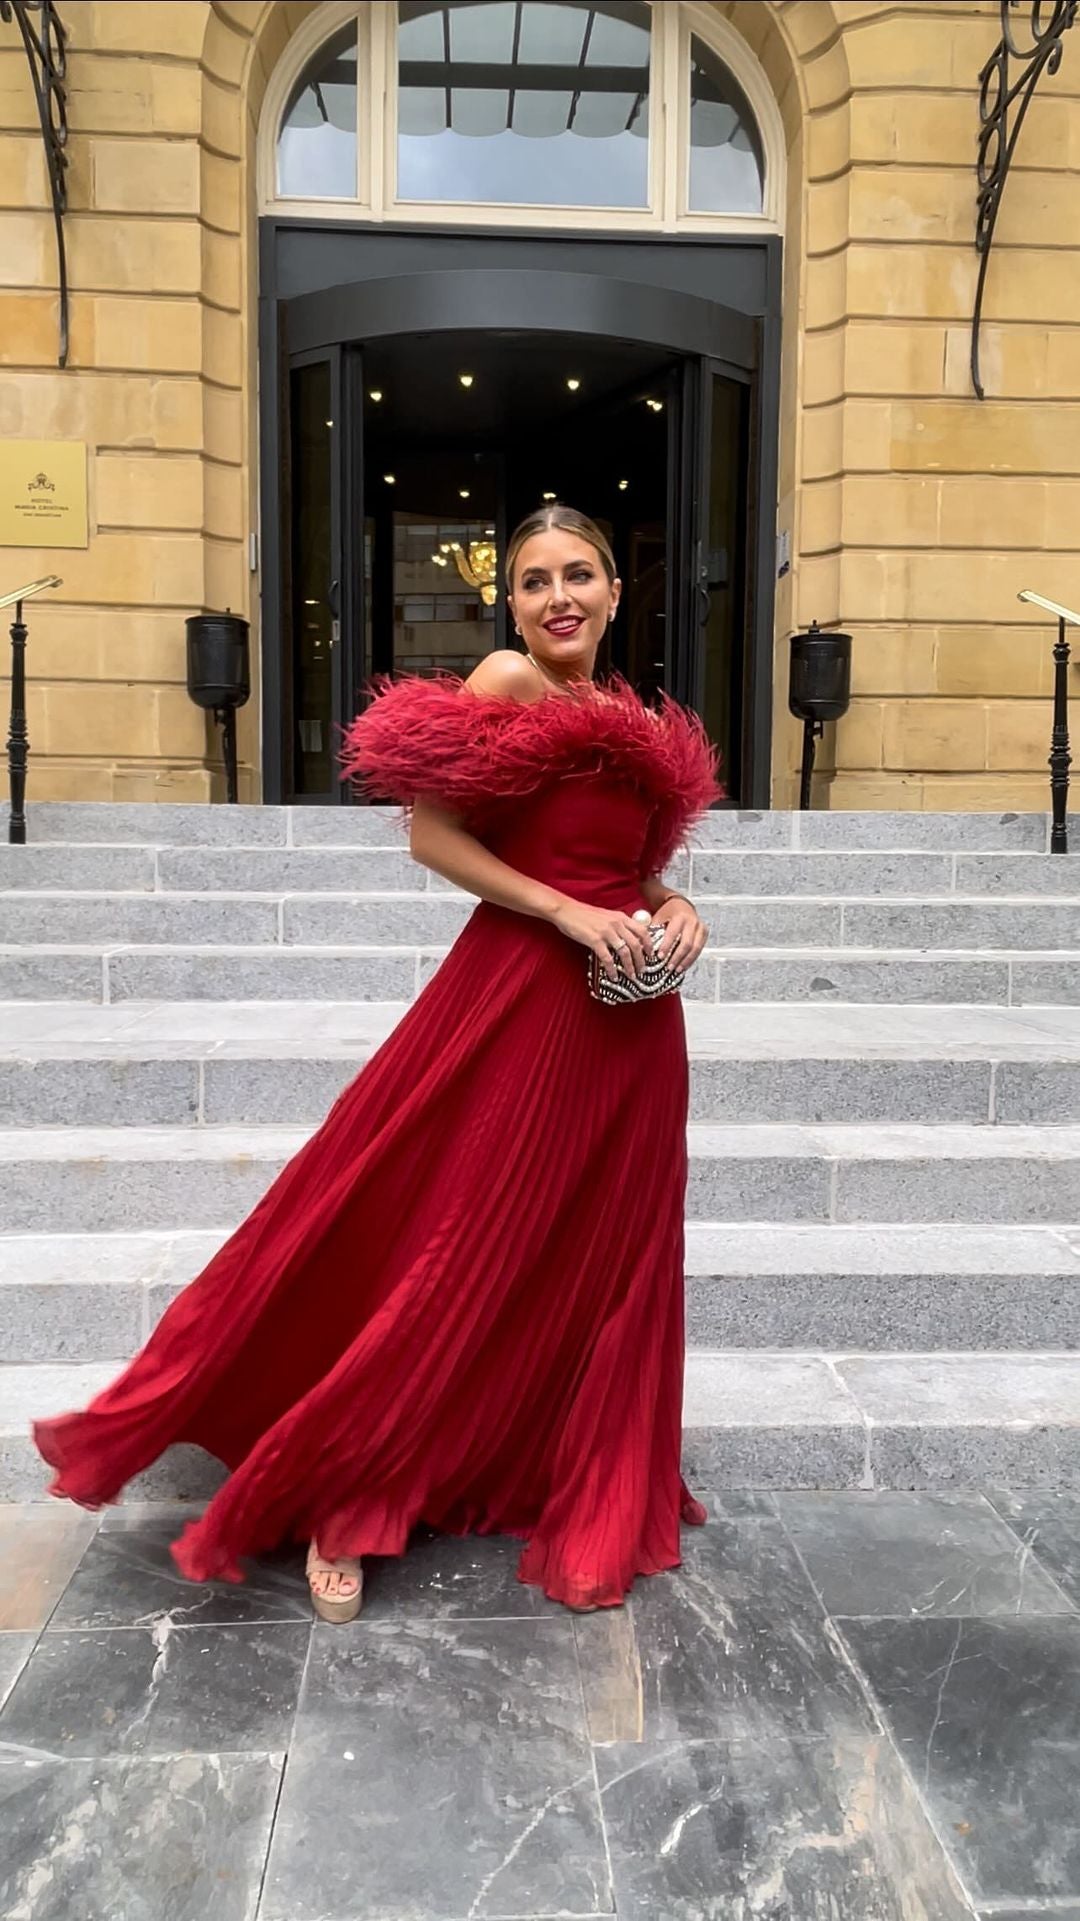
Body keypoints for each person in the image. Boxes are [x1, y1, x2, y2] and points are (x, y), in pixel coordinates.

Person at [33, 503, 722, 1622]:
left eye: (580, 574)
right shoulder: (506, 681)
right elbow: (432, 835)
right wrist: (565, 913)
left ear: (613, 589)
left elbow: (629, 871)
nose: (560, 596)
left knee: (600, 1258)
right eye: (536, 578)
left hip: (634, 1028)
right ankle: (347, 1494)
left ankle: (559, 1462)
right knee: (460, 1246)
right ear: (510, 602)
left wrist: (677, 902)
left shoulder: (625, 712)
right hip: (522, 998)